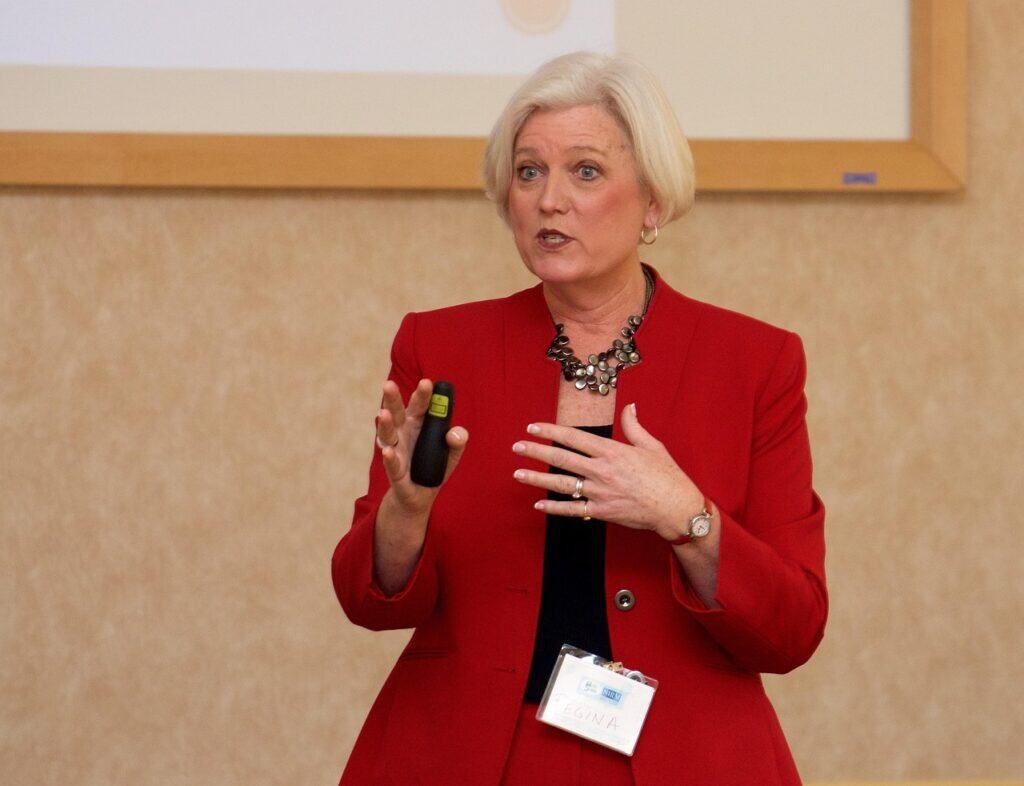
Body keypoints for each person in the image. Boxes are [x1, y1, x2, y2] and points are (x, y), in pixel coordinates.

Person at [332, 51, 826, 785]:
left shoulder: (755, 361)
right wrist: (405, 509)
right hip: (468, 754)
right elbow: (368, 603)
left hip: (680, 758)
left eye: (585, 172)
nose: (548, 200)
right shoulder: (439, 347)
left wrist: (687, 516)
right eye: (529, 172)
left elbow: (792, 630)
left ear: (653, 202)